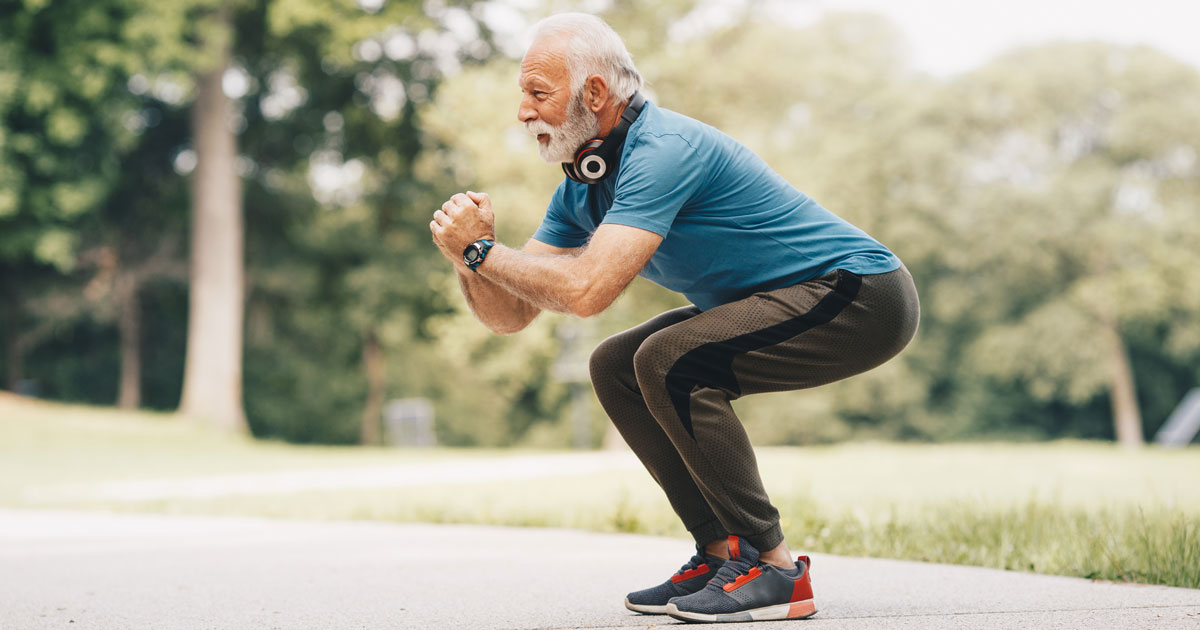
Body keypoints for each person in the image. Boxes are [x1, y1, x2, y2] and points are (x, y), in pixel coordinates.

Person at [429, 12, 920, 624]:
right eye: (522, 96)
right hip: (789, 299)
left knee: (669, 361)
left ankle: (775, 570)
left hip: (861, 293)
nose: (523, 112)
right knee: (614, 365)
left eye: (537, 93)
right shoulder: (583, 186)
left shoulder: (663, 149)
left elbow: (585, 292)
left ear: (595, 94)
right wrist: (466, 257)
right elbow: (511, 317)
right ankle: (721, 555)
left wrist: (482, 251)